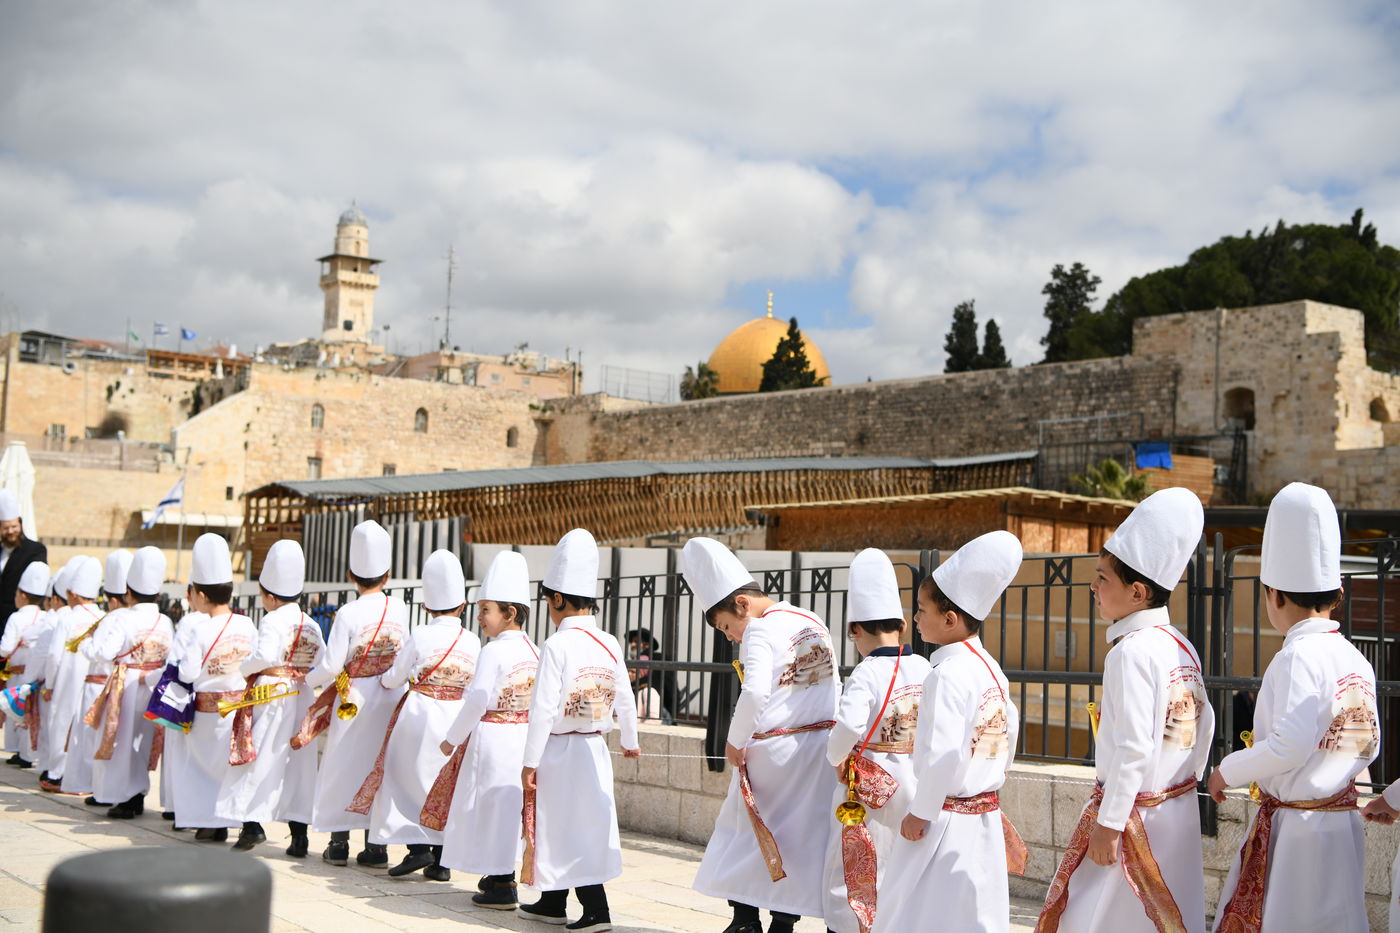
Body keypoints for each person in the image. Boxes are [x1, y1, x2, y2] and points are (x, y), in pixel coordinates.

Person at [1036, 487, 1212, 933]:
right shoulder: (1181, 645)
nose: (1093, 587)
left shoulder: (1129, 653)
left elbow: (1133, 747)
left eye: (1102, 579)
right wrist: (1182, 780)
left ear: (1136, 592)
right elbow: (1202, 726)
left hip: (1137, 816)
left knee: (1094, 918)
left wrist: (1109, 824)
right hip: (1178, 805)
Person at [1208, 483, 1377, 933]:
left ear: (1274, 596)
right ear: (1336, 595)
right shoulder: (1355, 658)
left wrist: (1228, 769)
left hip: (1302, 830)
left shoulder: (1295, 657)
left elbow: (1289, 744)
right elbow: (1367, 742)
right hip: (1342, 823)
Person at [682, 536, 840, 933]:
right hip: (817, 747)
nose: (731, 636)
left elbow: (754, 691)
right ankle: (783, 924)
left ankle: (745, 920)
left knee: (743, 834)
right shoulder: (811, 620)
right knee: (798, 840)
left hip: (773, 749)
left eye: (726, 626)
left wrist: (734, 741)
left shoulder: (759, 629)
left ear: (741, 605)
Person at [874, 532, 1026, 933]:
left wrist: (921, 812)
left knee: (914, 912)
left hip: (946, 818)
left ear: (950, 618)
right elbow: (1007, 732)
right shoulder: (990, 667)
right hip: (984, 813)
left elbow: (942, 755)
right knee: (974, 914)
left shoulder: (947, 674)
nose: (917, 618)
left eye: (922, 610)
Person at [518, 528, 640, 932]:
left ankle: (595, 909)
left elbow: (543, 710)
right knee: (581, 824)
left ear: (557, 599)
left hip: (560, 750)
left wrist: (529, 763)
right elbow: (625, 694)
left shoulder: (556, 645)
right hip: (594, 747)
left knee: (565, 826)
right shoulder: (609, 642)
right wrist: (629, 740)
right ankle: (552, 901)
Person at [820, 548, 933, 933]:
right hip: (915, 781)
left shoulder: (867, 671)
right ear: (902, 625)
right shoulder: (924, 667)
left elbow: (849, 725)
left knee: (855, 864)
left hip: (869, 786)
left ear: (854, 630)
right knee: (903, 867)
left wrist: (836, 758)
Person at [350, 549, 478, 880]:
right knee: (443, 785)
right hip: (456, 717)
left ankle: (416, 849)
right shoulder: (473, 640)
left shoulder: (421, 634)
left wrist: (382, 680)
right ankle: (441, 861)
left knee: (400, 779)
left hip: (420, 713)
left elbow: (395, 676)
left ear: (425, 606)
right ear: (463, 606)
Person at [297, 519, 407, 868]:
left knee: (343, 765)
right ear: (388, 575)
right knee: (381, 767)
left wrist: (304, 681)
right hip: (390, 694)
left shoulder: (347, 612)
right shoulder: (400, 607)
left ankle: (339, 842)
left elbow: (331, 665)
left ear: (350, 574)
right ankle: (376, 847)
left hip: (354, 696)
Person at [436, 550, 539, 910]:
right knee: (509, 811)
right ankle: (501, 875)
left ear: (509, 614)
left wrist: (452, 738)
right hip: (523, 737)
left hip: (493, 738)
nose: (479, 618)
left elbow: (478, 698)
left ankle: (500, 882)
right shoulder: (533, 649)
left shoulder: (494, 652)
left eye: (486, 610)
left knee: (488, 808)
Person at [216, 539, 325, 853]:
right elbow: (321, 659)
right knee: (299, 764)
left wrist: (244, 667)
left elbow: (263, 655)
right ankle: (299, 835)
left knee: (259, 756)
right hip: (301, 694)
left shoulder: (272, 620)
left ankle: (251, 826)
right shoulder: (311, 623)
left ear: (271, 596)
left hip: (271, 695)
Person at [172, 533, 256, 842]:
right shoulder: (246, 625)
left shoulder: (200, 628)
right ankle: (231, 819)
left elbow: (188, 672)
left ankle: (211, 822)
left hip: (208, 711)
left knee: (202, 769)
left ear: (202, 596)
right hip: (238, 710)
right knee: (230, 768)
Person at [84, 547, 173, 818]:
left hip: (125, 684)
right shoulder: (165, 620)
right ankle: (137, 794)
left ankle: (120, 795)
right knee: (143, 742)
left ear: (128, 593)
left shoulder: (123, 617)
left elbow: (104, 653)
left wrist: (87, 645)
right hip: (152, 683)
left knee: (118, 740)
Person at [65, 549, 132, 801]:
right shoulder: (130, 618)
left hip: (98, 686)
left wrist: (84, 644)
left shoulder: (112, 619)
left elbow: (100, 652)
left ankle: (92, 785)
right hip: (122, 685)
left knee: (91, 741)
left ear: (112, 600)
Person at [41, 555, 103, 793]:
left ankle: (57, 773)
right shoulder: (102, 617)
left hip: (66, 680)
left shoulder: (68, 618)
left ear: (75, 593)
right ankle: (84, 777)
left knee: (61, 721)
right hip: (93, 681)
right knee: (86, 730)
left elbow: (54, 656)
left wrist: (50, 683)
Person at [0, 560, 50, 767]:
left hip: (18, 673)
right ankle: (30, 752)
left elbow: (5, 648)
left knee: (17, 713)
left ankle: (21, 752)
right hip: (38, 674)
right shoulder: (46, 616)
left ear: (21, 595)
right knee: (34, 713)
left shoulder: (16, 618)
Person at [0, 488, 48, 645]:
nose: (10, 532)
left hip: (19, 621)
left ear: (20, 524)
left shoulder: (35, 550)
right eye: (6, 528)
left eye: (14, 527)